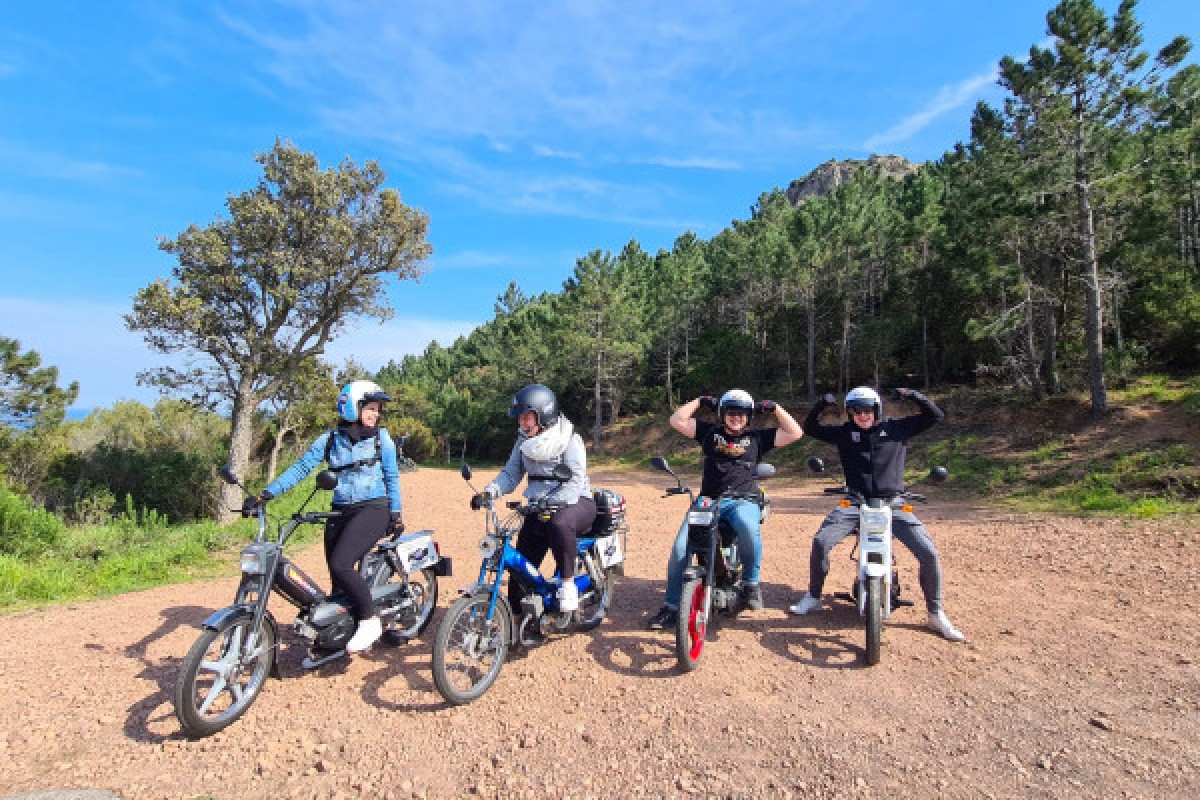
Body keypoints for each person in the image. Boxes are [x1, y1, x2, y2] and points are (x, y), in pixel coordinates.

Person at [787, 386, 966, 642]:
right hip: (854, 502)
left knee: (929, 552)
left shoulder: (897, 429)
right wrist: (821, 405)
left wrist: (913, 396)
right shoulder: (845, 433)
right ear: (851, 414)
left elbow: (935, 415)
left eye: (868, 410)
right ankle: (814, 597)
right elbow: (811, 428)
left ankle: (935, 613)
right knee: (821, 541)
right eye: (857, 411)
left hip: (893, 503)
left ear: (877, 410)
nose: (863, 415)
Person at [246, 379, 405, 654]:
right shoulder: (330, 440)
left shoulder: (382, 439)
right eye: (370, 408)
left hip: (373, 508)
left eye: (378, 410)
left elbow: (391, 476)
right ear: (353, 408)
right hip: (340, 510)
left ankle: (369, 620)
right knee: (337, 576)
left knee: (341, 563)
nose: (375, 415)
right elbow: (301, 468)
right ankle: (338, 633)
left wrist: (396, 513)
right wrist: (266, 494)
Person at [646, 389, 803, 630]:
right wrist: (700, 400)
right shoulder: (709, 433)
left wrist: (775, 408)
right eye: (731, 412)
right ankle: (671, 606)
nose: (736, 418)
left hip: (743, 500)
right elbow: (677, 420)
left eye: (741, 414)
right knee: (680, 549)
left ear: (749, 416)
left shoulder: (758, 437)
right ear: (722, 414)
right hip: (707, 501)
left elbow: (795, 433)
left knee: (749, 529)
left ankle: (750, 585)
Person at [470, 384, 596, 641]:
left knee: (559, 524)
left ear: (544, 414)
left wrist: (551, 503)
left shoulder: (570, 439)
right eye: (520, 417)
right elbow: (511, 474)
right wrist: (490, 492)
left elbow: (574, 481)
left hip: (576, 503)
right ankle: (516, 627)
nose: (523, 423)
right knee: (518, 567)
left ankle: (569, 586)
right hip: (539, 507)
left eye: (527, 417)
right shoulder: (523, 441)